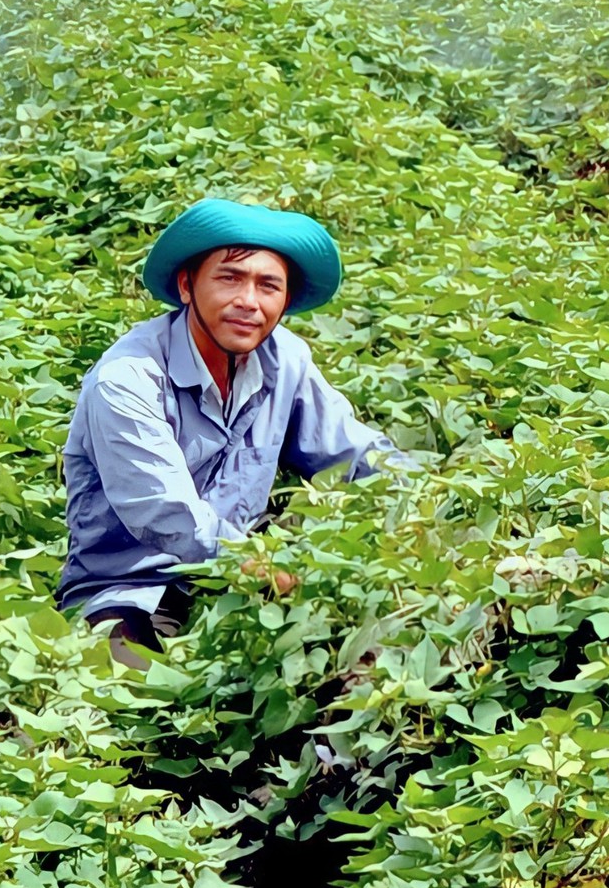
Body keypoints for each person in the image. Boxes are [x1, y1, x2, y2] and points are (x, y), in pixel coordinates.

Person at [58, 199, 399, 665]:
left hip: (243, 577)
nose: (249, 302)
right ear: (186, 286)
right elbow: (166, 514)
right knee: (131, 693)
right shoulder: (127, 378)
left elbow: (355, 457)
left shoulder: (286, 361)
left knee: (356, 654)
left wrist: (434, 499)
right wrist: (265, 567)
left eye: (268, 285)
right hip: (132, 586)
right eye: (229, 278)